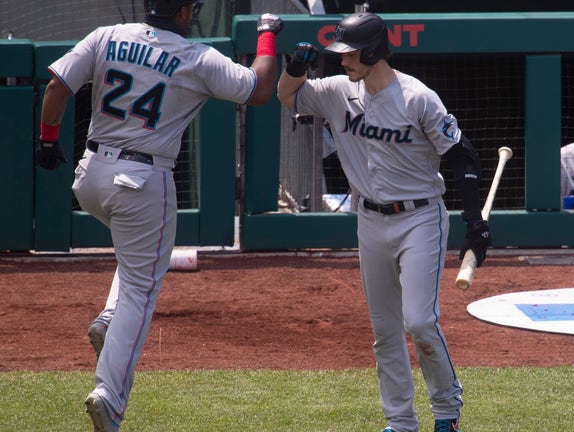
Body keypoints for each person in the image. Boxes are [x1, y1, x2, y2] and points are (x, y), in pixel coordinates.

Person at [35, 1, 283, 430]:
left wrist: (47, 139)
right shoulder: (196, 57)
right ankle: (109, 395)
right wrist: (267, 32)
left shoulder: (107, 35)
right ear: (185, 11)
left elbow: (56, 86)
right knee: (140, 290)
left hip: (91, 175)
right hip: (142, 180)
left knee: (135, 257)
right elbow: (261, 89)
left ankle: (109, 318)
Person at [277, 12, 490, 432]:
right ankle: (400, 422)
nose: (343, 61)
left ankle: (447, 410)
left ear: (373, 52)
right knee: (385, 331)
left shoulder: (417, 98)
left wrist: (474, 223)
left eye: (351, 53)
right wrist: (295, 69)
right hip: (370, 221)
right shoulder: (339, 91)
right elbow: (288, 96)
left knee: (420, 321)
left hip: (420, 218)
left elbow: (462, 156)